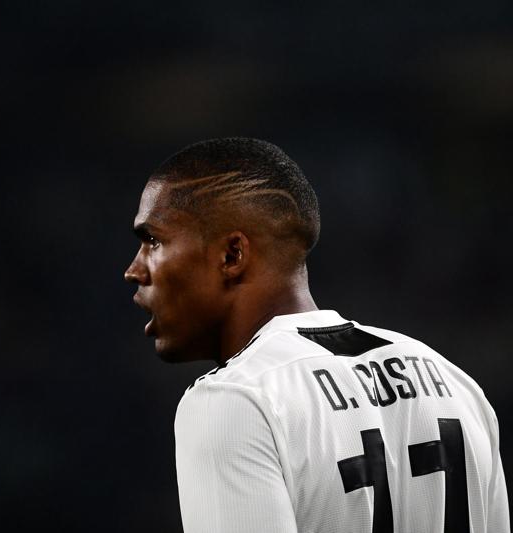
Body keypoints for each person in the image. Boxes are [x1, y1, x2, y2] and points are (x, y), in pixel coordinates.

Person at [123, 137, 509, 532]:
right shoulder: (455, 384)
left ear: (232, 254)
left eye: (153, 241)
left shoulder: (235, 400)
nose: (133, 270)